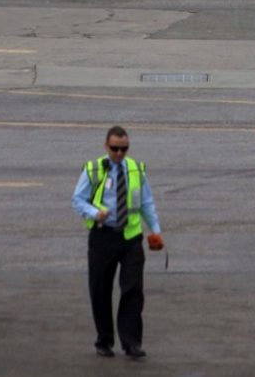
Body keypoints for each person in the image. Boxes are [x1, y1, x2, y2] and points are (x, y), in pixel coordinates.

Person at [71, 125, 165, 360]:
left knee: (133, 290)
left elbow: (146, 202)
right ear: (106, 146)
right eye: (115, 149)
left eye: (124, 149)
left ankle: (131, 342)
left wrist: (156, 230)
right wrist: (94, 213)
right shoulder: (93, 169)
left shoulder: (135, 169)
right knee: (100, 290)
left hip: (131, 237)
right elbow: (77, 200)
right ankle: (104, 340)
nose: (119, 154)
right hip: (103, 236)